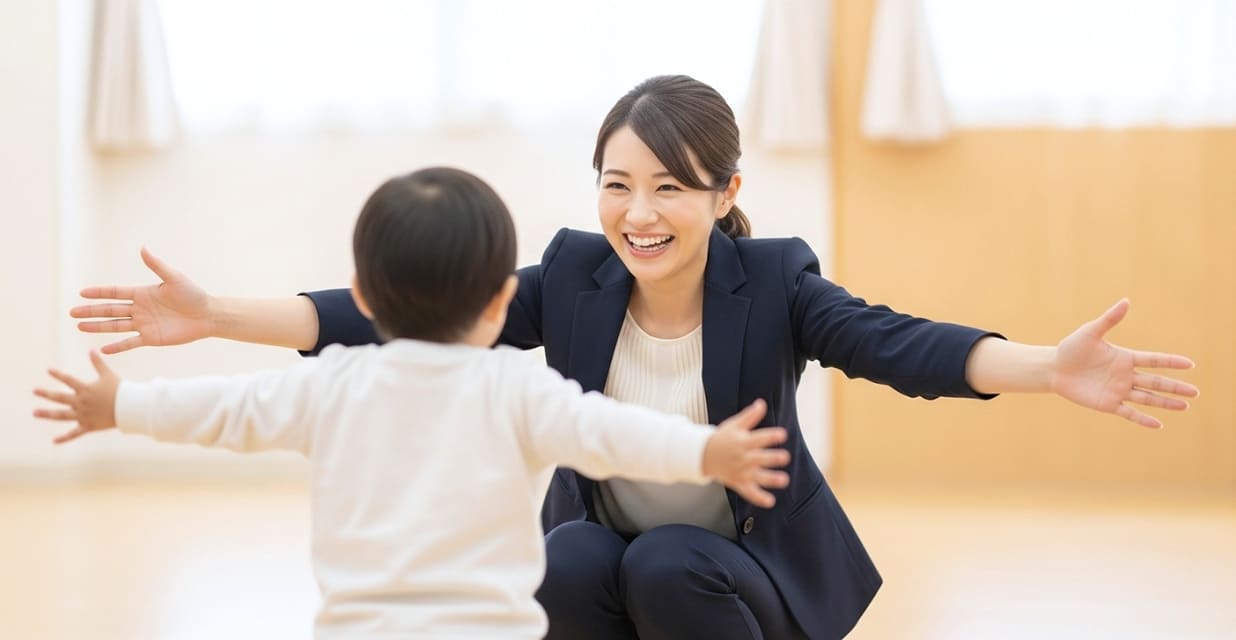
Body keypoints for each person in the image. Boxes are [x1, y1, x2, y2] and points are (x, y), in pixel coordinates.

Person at [67, 76, 1200, 639]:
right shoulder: (573, 273)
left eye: (668, 186)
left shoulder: (778, 281)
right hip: (604, 549)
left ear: (724, 195)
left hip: (737, 566)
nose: (639, 212)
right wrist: (211, 312)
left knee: (665, 563)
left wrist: (1049, 364)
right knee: (566, 558)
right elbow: (375, 317)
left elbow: (896, 343)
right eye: (618, 182)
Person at [34, 166, 795, 640]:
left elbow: (227, 410)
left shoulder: (332, 382)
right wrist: (705, 450)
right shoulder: (517, 389)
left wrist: (122, 406)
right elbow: (612, 435)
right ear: (502, 303)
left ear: (363, 298)